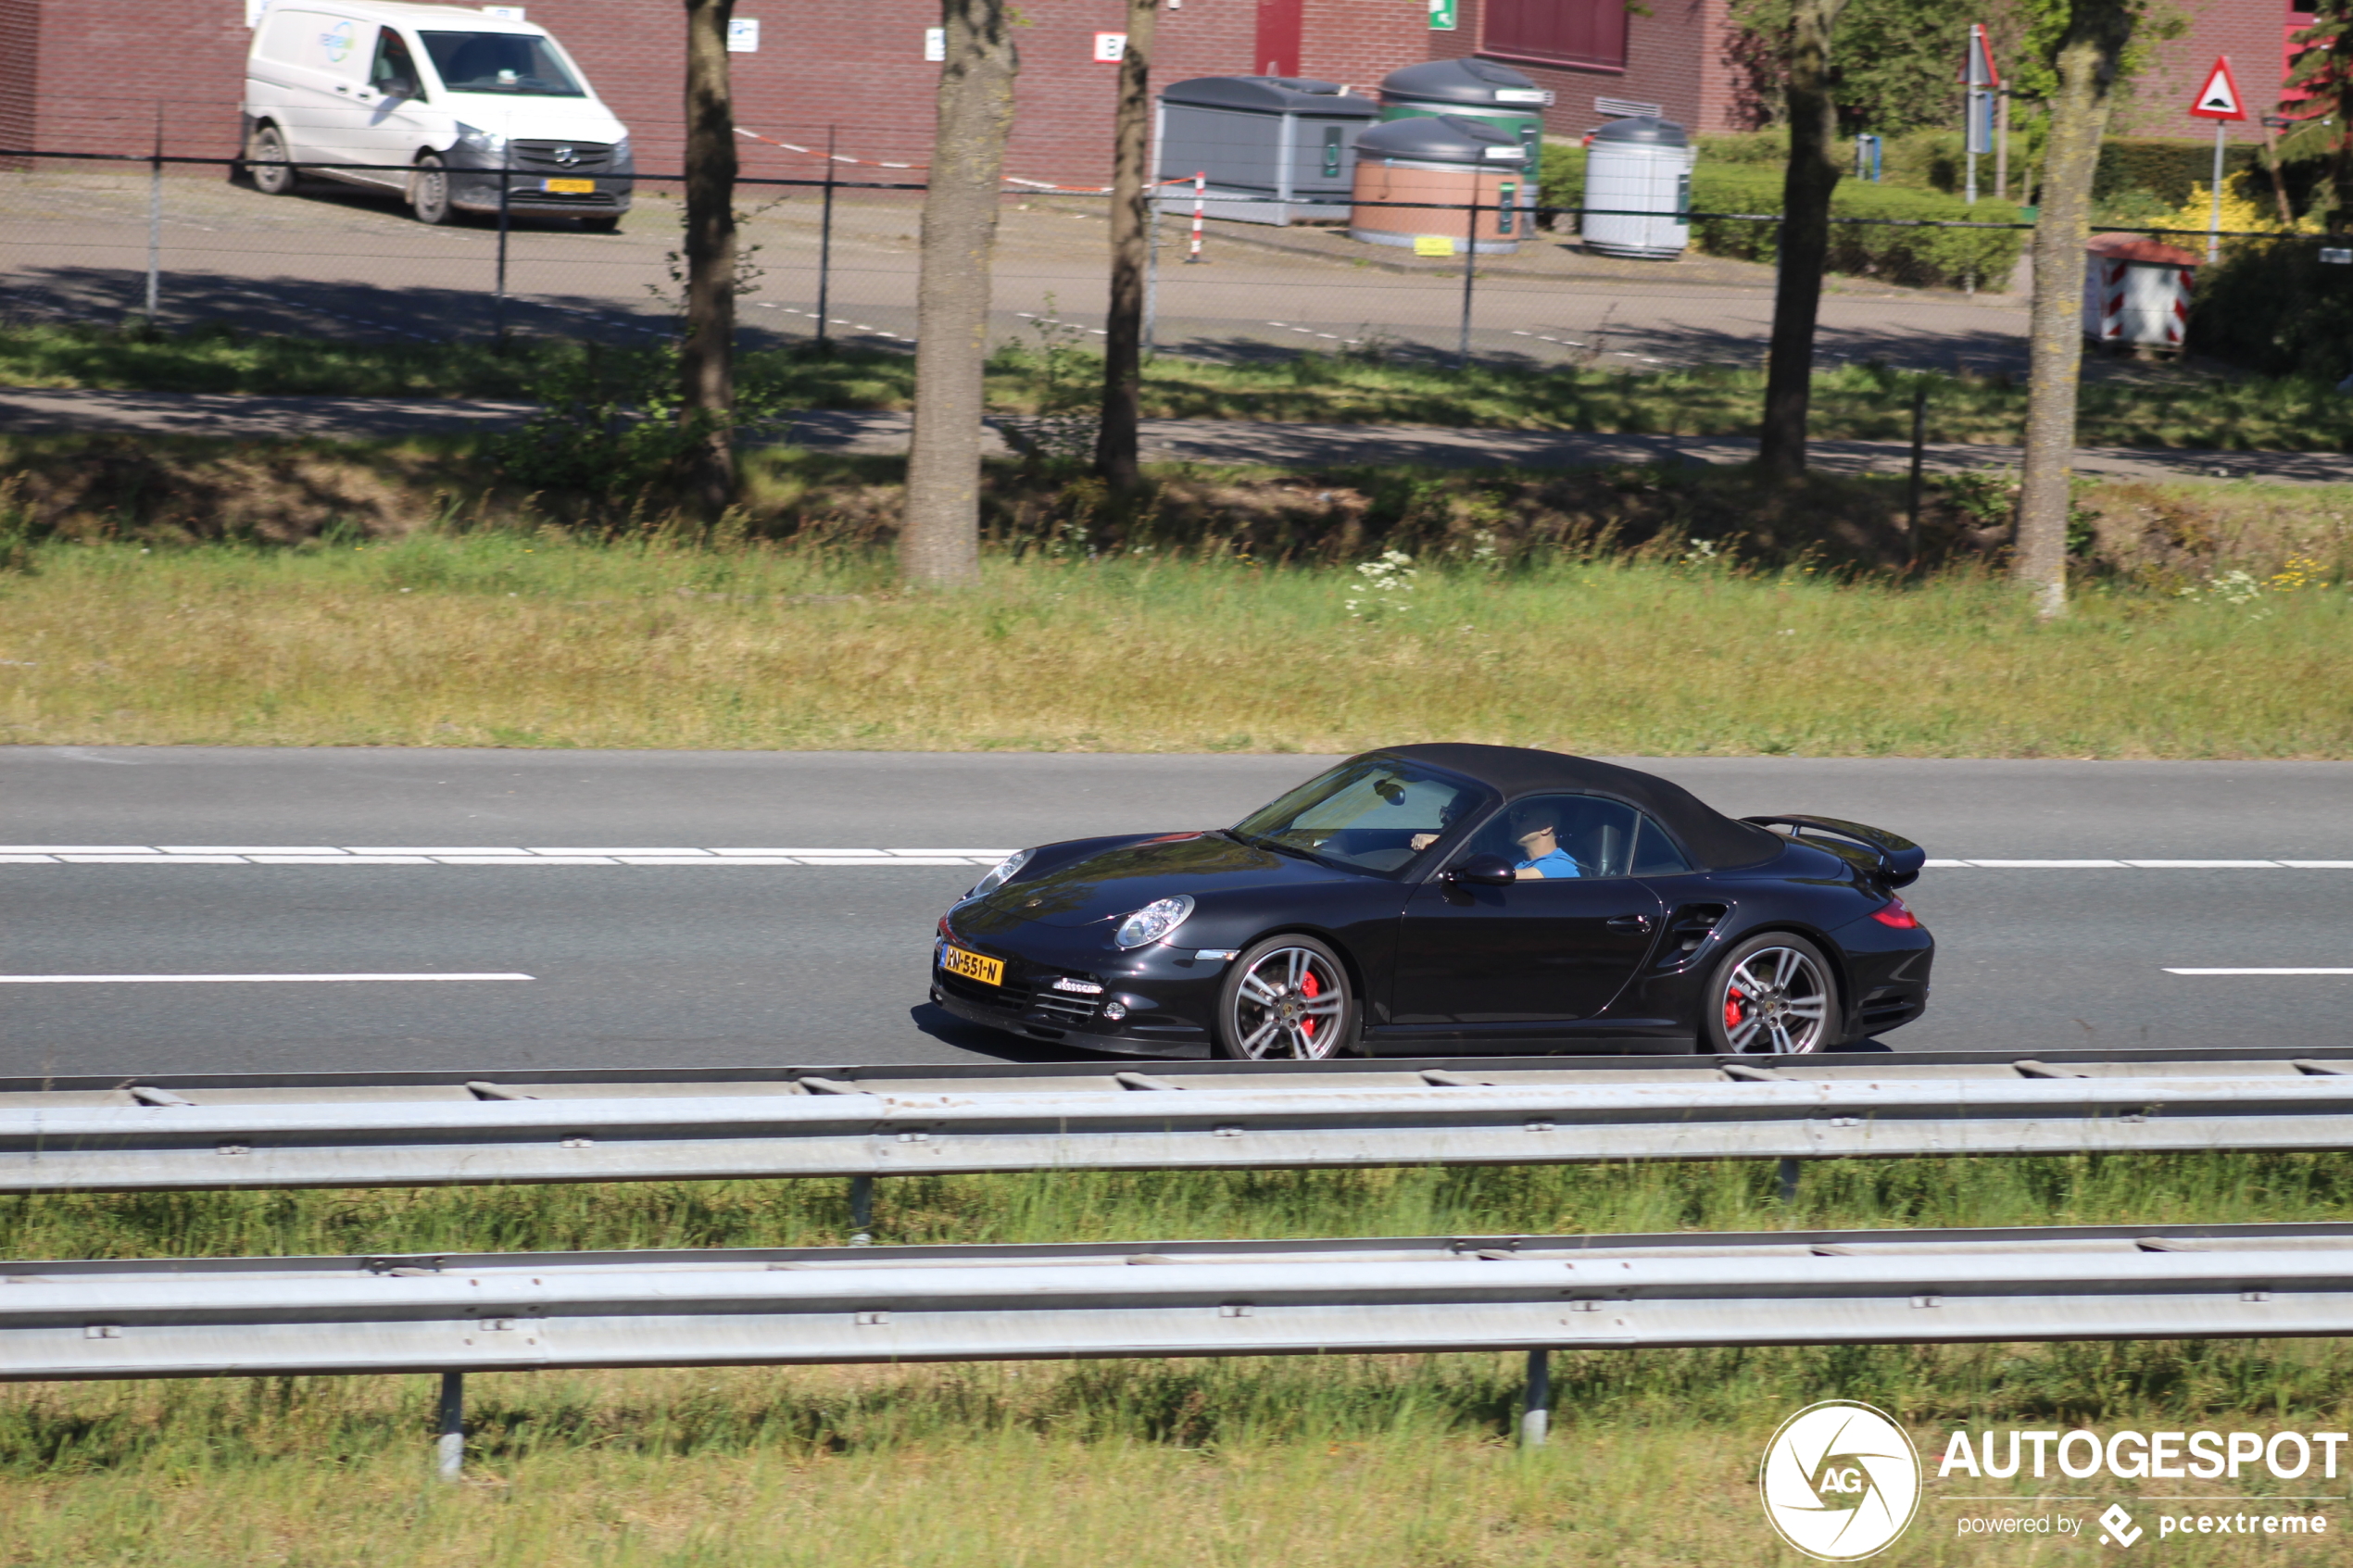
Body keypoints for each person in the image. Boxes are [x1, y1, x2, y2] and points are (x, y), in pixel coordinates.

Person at [1507, 804, 1579, 879]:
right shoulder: (1517, 860)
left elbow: (1505, 877)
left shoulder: (1561, 865)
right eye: (1513, 817)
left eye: (1522, 817)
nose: (1512, 821)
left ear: (1545, 827)